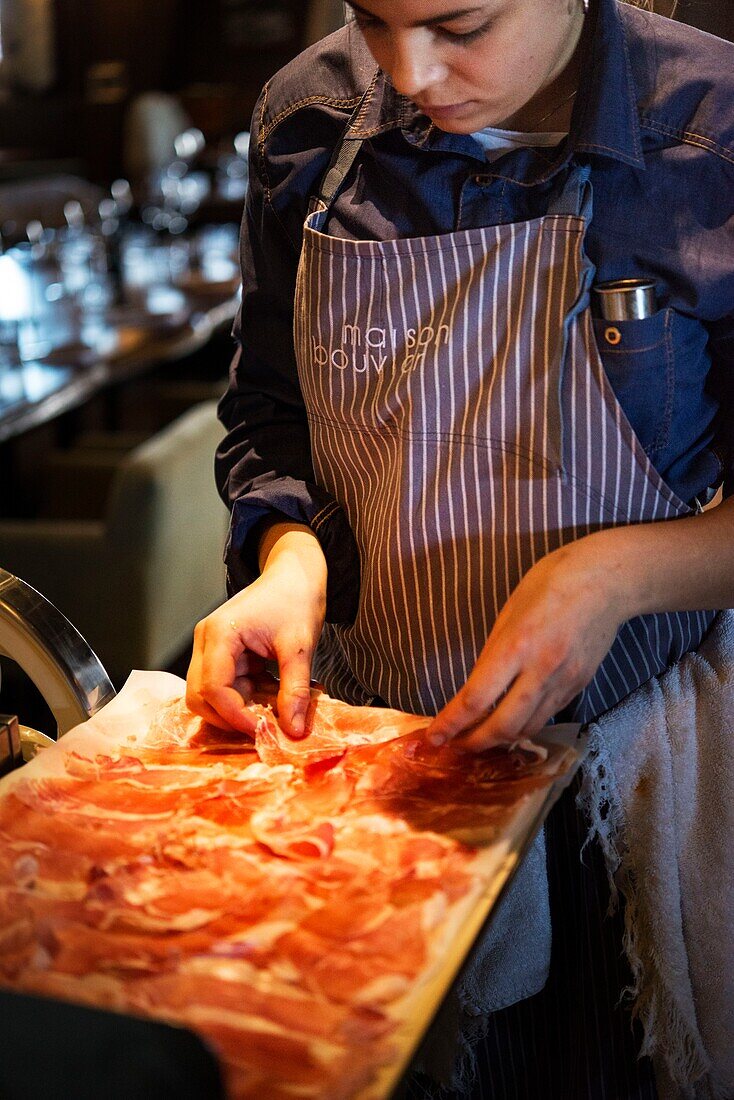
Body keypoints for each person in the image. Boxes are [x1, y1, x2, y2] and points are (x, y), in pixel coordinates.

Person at [186, 0, 734, 1095]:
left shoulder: (708, 130)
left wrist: (611, 577)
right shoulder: (310, 119)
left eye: (458, 24)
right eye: (371, 19)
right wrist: (290, 557)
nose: (410, 70)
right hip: (372, 776)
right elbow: (268, 415)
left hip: (627, 796)